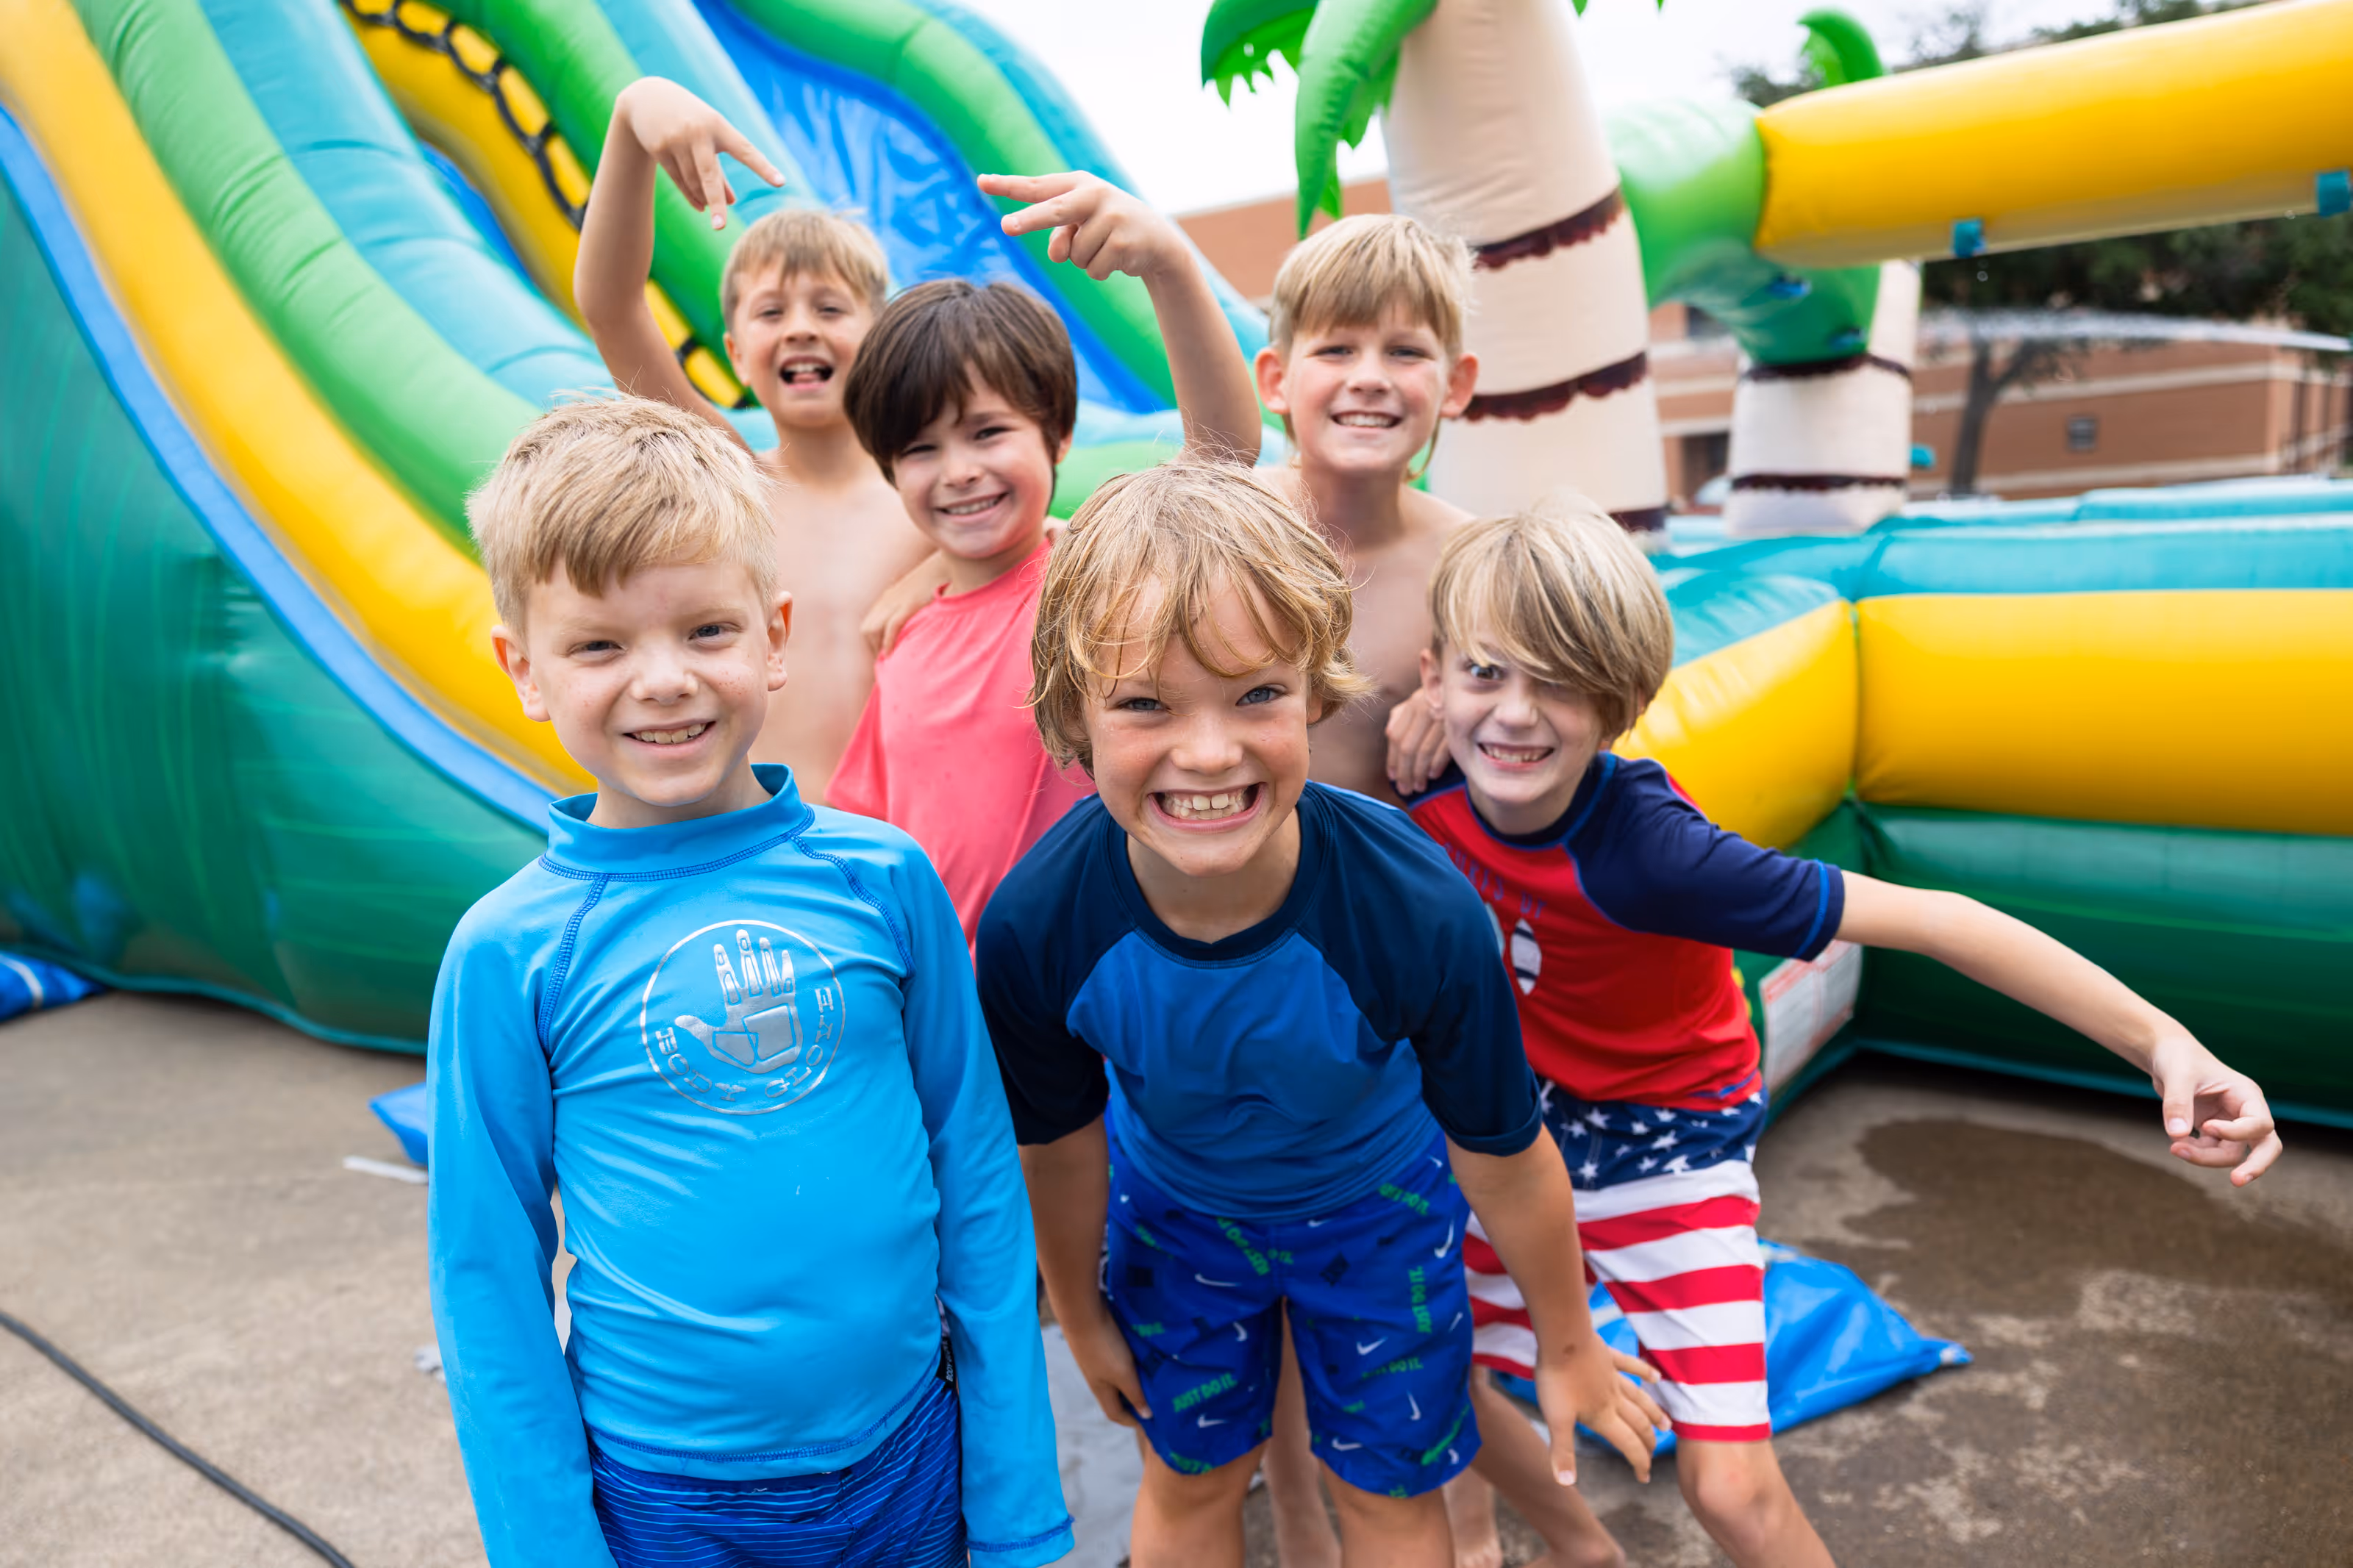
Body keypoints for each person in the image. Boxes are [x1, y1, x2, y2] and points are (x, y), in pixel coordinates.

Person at [1396, 501, 2285, 1568]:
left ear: (1623, 702)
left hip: (1667, 1137)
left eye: (1559, 682)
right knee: (1433, 1364)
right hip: (1515, 1129)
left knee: (1728, 1488)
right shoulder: (1417, 780)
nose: (1515, 715)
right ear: (1434, 674)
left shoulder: (1655, 853)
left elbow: (1940, 922)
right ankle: (1587, 1549)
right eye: (1487, 675)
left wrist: (2163, 1042)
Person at [977, 463, 1669, 1568]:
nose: (1209, 753)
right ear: (1072, 716)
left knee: (1390, 1499)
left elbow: (1502, 1150)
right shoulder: (1037, 926)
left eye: (1256, 695)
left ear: (1316, 693)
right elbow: (1058, 1149)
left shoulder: (1412, 905)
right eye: (1147, 702)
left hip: (1380, 1214)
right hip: (1177, 1222)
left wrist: (1568, 1337)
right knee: (1191, 1479)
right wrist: (1082, 1306)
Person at [426, 395, 1071, 1568]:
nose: (663, 681)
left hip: (911, 1458)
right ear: (524, 669)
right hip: (669, 1501)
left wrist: (1018, 1498)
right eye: (600, 645)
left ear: (774, 635)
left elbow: (977, 1183)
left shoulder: (885, 880)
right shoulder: (510, 953)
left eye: (706, 632)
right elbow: (487, 1282)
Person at [827, 170, 1263, 944]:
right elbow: (867, 839)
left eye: (988, 433)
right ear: (890, 471)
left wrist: (1167, 264)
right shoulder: (901, 637)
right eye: (921, 449)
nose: (959, 470)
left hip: (1093, 994)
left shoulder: (1094, 582)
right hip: (955, 1010)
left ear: (1058, 436)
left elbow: (1219, 459)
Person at [574, 76, 927, 803]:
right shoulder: (730, 482)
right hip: (761, 846)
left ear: (881, 334)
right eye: (772, 312)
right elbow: (609, 307)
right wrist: (634, 111)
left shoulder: (930, 500)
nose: (801, 326)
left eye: (829, 307)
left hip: (907, 850)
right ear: (736, 353)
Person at [1252, 212, 1483, 807]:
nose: (1370, 378)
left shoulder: (1473, 564)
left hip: (1376, 887)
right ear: (1277, 379)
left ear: (1455, 384)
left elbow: (1556, 691)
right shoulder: (1231, 521)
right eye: (1336, 349)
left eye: (1405, 352)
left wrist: (1458, 702)